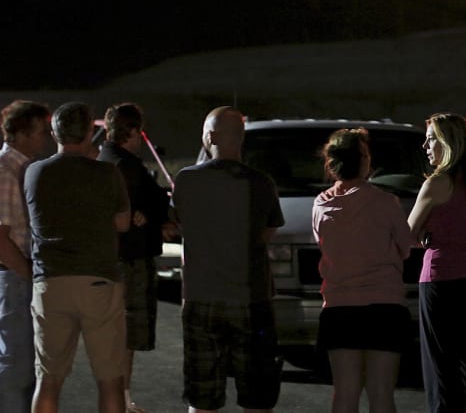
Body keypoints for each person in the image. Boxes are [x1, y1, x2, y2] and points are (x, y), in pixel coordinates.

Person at [171, 106, 284, 413]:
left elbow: (178, 224)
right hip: (252, 298)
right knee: (258, 396)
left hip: (200, 298)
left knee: (203, 396)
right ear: (241, 138)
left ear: (210, 136)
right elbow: (268, 232)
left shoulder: (186, 180)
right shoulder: (261, 183)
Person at [25, 102, 131, 413]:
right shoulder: (107, 173)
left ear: (54, 133)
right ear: (89, 133)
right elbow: (122, 223)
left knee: (48, 380)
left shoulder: (34, 172)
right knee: (110, 379)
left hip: (51, 283)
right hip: (98, 281)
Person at [312, 128, 415, 413]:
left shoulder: (320, 204)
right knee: (381, 393)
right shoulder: (385, 202)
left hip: (339, 308)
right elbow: (406, 248)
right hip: (384, 307)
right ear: (364, 160)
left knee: (344, 393)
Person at [407, 112, 466, 413]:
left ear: (448, 143)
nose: (425, 146)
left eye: (431, 139)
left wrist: (425, 238)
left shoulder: (436, 183)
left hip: (440, 278)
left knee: (441, 366)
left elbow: (408, 234)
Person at [0, 99, 51, 413]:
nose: (46, 137)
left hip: (20, 275)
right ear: (20, 133)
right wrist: (31, 276)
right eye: (40, 131)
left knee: (24, 365)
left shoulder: (20, 168)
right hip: (16, 276)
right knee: (15, 364)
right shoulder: (4, 173)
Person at [96, 103, 170, 413]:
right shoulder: (125, 166)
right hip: (131, 259)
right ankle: (121, 400)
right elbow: (146, 205)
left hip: (116, 257)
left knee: (118, 333)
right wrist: (147, 213)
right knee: (126, 334)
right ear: (131, 130)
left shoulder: (107, 159)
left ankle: (120, 398)